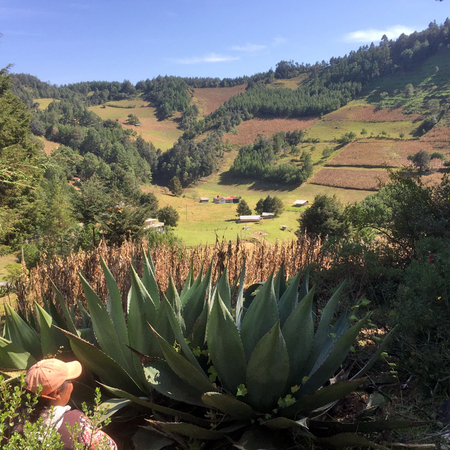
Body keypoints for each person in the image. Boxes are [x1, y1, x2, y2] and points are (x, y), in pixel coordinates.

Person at [25, 358, 118, 450]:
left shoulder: (15, 419)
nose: (72, 385)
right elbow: (110, 447)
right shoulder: (76, 422)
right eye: (69, 382)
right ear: (57, 393)